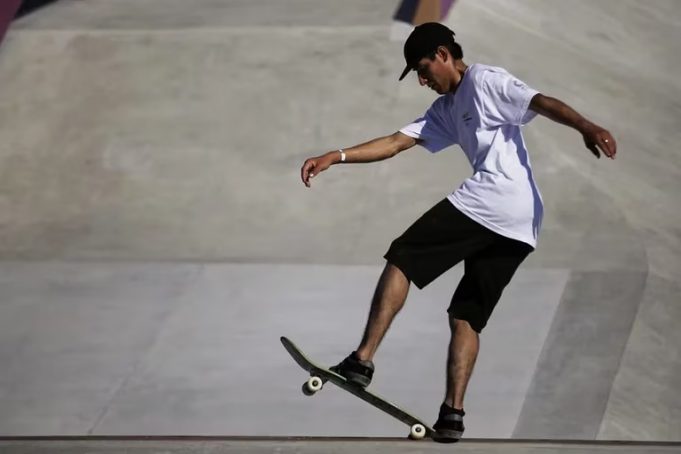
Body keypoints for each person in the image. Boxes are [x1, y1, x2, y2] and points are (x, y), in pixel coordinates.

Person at [299, 22, 616, 443]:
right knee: (466, 315)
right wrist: (336, 156)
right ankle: (453, 414)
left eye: (424, 69)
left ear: (444, 55)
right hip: (522, 225)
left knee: (403, 256)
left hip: (494, 199)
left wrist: (586, 126)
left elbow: (539, 101)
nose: (422, 80)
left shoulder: (485, 81)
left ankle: (361, 361)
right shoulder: (446, 110)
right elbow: (395, 142)